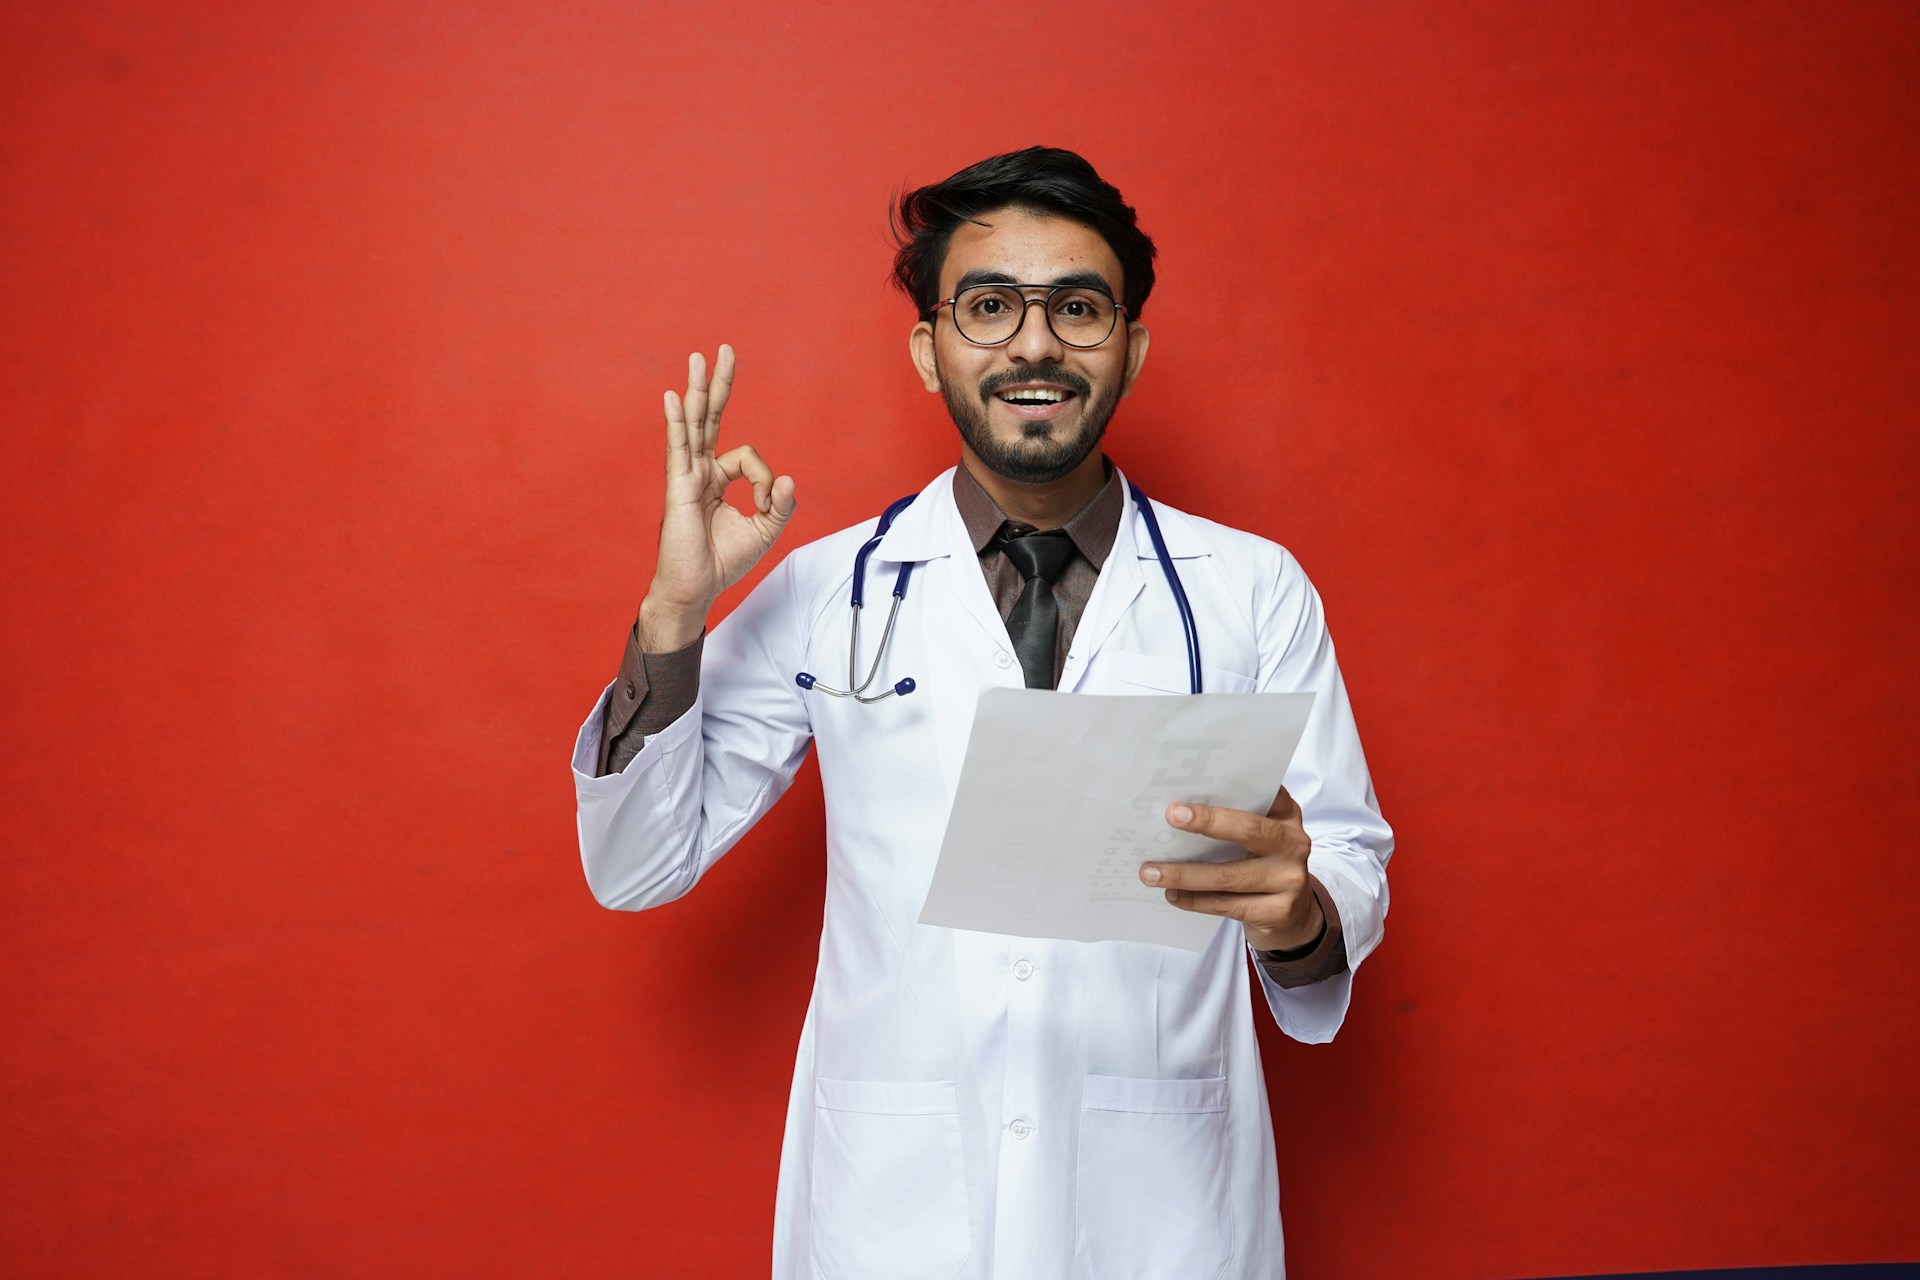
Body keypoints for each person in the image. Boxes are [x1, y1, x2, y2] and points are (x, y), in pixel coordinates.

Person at [571, 146, 1391, 1279]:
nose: (1036, 343)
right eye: (990, 305)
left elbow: (1344, 851)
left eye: (1080, 308)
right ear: (930, 349)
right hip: (896, 1210)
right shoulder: (832, 588)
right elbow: (635, 860)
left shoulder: (1249, 589)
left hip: (1161, 1209)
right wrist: (676, 610)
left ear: (1132, 348)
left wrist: (1300, 911)